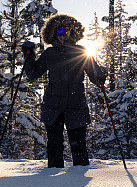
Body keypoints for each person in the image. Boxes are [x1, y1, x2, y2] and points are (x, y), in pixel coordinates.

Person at [21, 14, 106, 168]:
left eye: (65, 31)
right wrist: (29, 56)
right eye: (59, 32)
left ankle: (76, 181)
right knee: (54, 147)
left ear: (71, 33)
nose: (62, 35)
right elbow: (33, 74)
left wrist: (101, 75)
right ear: (53, 33)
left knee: (79, 147)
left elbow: (95, 77)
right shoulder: (49, 54)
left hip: (76, 104)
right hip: (53, 105)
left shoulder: (81, 52)